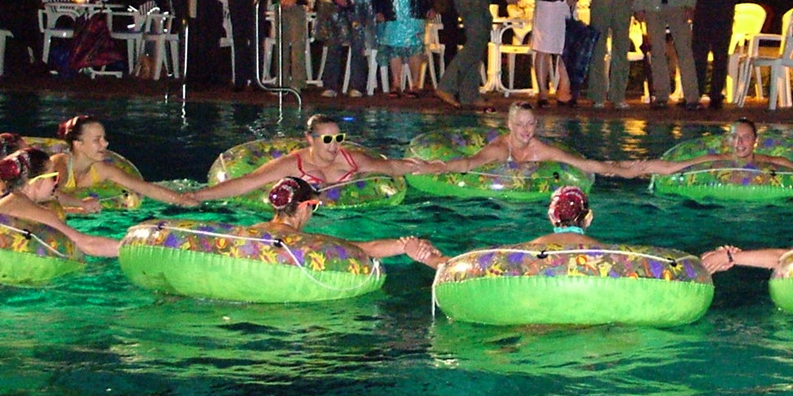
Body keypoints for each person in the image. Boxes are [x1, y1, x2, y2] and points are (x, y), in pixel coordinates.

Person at [192, 114, 426, 203]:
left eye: (338, 138)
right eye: (327, 139)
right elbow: (248, 182)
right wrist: (197, 196)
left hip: (350, 218)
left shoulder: (350, 159)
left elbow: (391, 167)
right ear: (310, 139)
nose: (334, 146)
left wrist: (432, 167)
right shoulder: (292, 164)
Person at [0, 146, 120, 259]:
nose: (56, 184)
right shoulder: (35, 211)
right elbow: (85, 243)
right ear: (37, 182)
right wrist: (130, 247)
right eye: (53, 177)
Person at [413, 184, 609, 271]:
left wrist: (429, 257)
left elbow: (471, 264)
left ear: (551, 217)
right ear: (588, 218)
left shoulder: (525, 250)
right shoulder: (608, 253)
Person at [432, 100, 645, 179]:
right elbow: (469, 163)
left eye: (530, 124)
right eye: (519, 124)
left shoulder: (539, 149)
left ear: (536, 124)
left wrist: (623, 172)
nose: (525, 130)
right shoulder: (499, 149)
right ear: (509, 125)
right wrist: (435, 167)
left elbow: (582, 163)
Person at [263, 175, 441, 264]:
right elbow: (363, 248)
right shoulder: (308, 241)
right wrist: (405, 246)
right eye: (314, 206)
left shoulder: (251, 231)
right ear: (303, 207)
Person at [629, 116, 793, 181]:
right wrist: (627, 169)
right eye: (735, 137)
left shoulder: (770, 162)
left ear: (755, 141)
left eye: (746, 138)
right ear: (728, 140)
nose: (740, 143)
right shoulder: (713, 159)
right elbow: (670, 167)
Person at [49, 114, 194, 209]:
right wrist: (80, 205)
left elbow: (143, 187)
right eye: (97, 140)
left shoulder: (100, 168)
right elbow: (50, 196)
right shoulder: (59, 165)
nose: (105, 144)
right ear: (78, 144)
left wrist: (181, 200)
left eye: (104, 138)